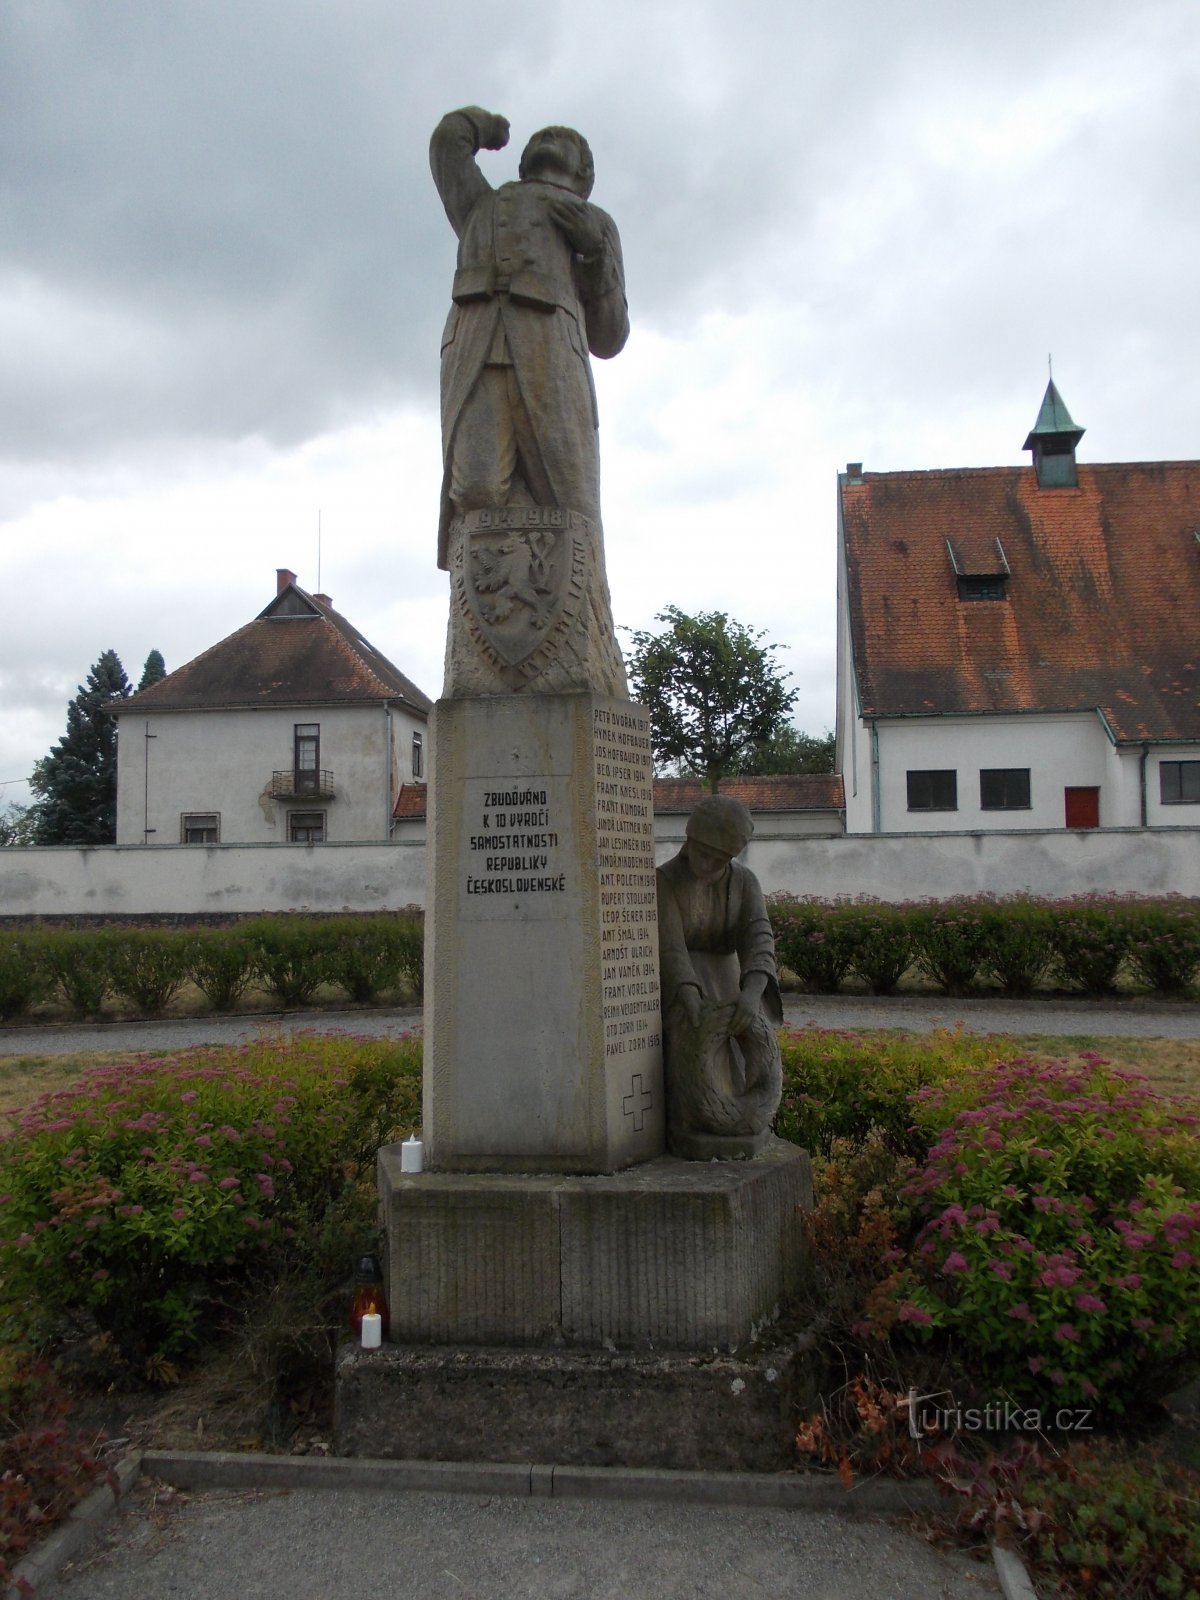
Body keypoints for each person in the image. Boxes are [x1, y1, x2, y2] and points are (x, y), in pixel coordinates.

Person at [429, 107, 629, 696]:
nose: (553, 148)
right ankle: (488, 658)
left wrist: (593, 254)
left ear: (583, 174)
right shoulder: (483, 207)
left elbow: (611, 334)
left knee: (571, 502)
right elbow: (447, 144)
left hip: (552, 358)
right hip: (475, 352)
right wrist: (482, 124)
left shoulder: (593, 220)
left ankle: (592, 643)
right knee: (476, 492)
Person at [655, 795, 783, 1157]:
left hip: (731, 978)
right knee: (690, 1050)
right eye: (701, 852)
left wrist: (752, 990)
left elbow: (759, 937)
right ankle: (691, 1123)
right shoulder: (665, 880)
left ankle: (738, 1119)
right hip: (683, 982)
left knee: (737, 1055)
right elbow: (670, 946)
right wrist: (686, 991)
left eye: (717, 859)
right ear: (688, 842)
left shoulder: (744, 883)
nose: (706, 863)